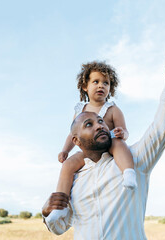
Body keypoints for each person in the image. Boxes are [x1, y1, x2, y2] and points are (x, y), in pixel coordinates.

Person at [42, 19, 165, 239]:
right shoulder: (75, 178)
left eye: (101, 122)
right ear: (76, 140)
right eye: (89, 124)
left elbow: (164, 125)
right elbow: (58, 228)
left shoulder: (135, 160)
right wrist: (47, 211)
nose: (100, 124)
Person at [56, 61, 137, 204]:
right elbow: (73, 134)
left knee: (118, 144)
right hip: (89, 149)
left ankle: (129, 173)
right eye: (96, 81)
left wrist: (122, 134)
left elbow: (124, 130)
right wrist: (65, 150)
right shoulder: (80, 111)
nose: (101, 85)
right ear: (85, 87)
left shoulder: (112, 109)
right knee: (68, 165)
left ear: (110, 88)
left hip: (109, 145)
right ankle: (61, 201)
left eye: (106, 83)